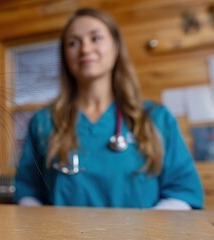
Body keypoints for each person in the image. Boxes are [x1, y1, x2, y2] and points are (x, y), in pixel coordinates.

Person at [13, 8, 203, 210]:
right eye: (73, 43)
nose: (85, 49)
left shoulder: (157, 118)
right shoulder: (44, 122)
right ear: (65, 56)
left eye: (96, 38)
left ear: (116, 47)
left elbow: (183, 192)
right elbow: (27, 191)